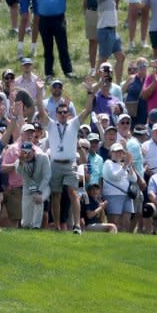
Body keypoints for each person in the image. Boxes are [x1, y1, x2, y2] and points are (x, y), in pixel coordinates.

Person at [36, 77, 99, 234]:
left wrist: (90, 92)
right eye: (61, 112)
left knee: (73, 193)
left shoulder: (74, 123)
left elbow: (88, 109)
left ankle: (77, 226)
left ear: (69, 114)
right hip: (56, 163)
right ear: (56, 114)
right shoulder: (51, 124)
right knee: (56, 195)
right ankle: (57, 226)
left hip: (71, 163)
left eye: (66, 112)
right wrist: (38, 91)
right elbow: (41, 110)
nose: (63, 114)